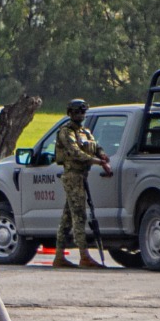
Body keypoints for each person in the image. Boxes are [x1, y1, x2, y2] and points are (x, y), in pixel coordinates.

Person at [53, 98, 110, 268]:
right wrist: (98, 162)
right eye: (77, 112)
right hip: (73, 176)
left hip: (81, 176)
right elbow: (75, 152)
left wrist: (102, 155)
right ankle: (84, 256)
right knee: (79, 215)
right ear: (70, 113)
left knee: (68, 217)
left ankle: (59, 256)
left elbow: (95, 146)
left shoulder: (85, 131)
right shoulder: (66, 132)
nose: (80, 115)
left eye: (82, 111)